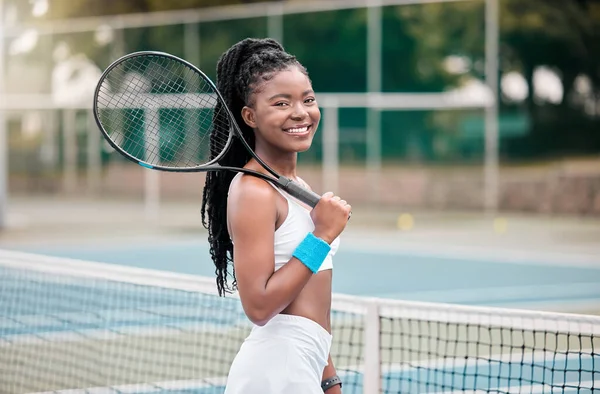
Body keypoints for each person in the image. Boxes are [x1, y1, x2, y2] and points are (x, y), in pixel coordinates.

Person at [201, 37, 351, 394]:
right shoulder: (253, 191)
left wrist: (329, 380)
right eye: (281, 103)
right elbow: (259, 305)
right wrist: (322, 236)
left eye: (308, 99)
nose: (300, 112)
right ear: (250, 116)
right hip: (276, 371)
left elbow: (312, 298)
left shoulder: (296, 185)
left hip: (304, 363)